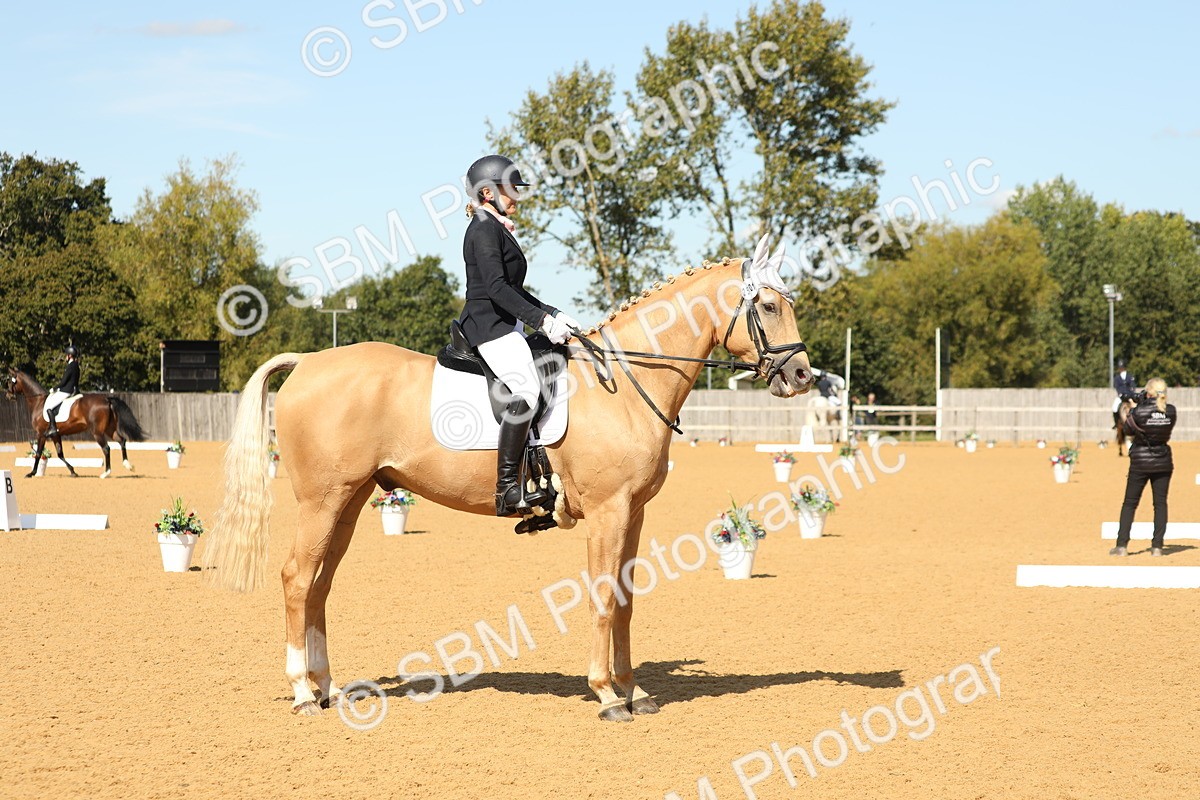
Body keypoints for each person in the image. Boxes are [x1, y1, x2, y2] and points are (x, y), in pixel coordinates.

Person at [458, 154, 581, 518]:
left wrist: (553, 314)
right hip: (488, 326)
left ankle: (541, 472)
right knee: (527, 388)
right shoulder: (484, 228)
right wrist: (541, 321)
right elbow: (496, 289)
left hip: (505, 324)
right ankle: (507, 488)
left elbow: (513, 289)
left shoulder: (495, 227)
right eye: (510, 189)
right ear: (487, 193)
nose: (516, 196)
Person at [1109, 378, 1176, 558]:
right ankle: (1157, 547)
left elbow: (1128, 431)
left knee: (1130, 503)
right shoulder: (1171, 411)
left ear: (1148, 392)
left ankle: (1121, 546)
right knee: (1160, 504)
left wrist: (1132, 409)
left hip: (1140, 461)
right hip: (1163, 460)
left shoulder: (1139, 411)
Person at [44, 345, 80, 438]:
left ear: (70, 355)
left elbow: (63, 381)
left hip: (66, 391)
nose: (65, 357)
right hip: (73, 390)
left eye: (66, 355)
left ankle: (53, 428)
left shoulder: (70, 366)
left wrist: (54, 388)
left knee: (49, 407)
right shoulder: (76, 365)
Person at [1112, 358, 1136, 428]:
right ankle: (1116, 423)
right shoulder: (1117, 378)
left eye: (1122, 367)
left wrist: (1132, 392)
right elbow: (1117, 387)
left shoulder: (1129, 376)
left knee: (1136, 407)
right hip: (1121, 396)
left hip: (1129, 395)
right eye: (1120, 367)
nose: (1121, 369)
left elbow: (1132, 385)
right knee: (1114, 407)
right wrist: (1120, 393)